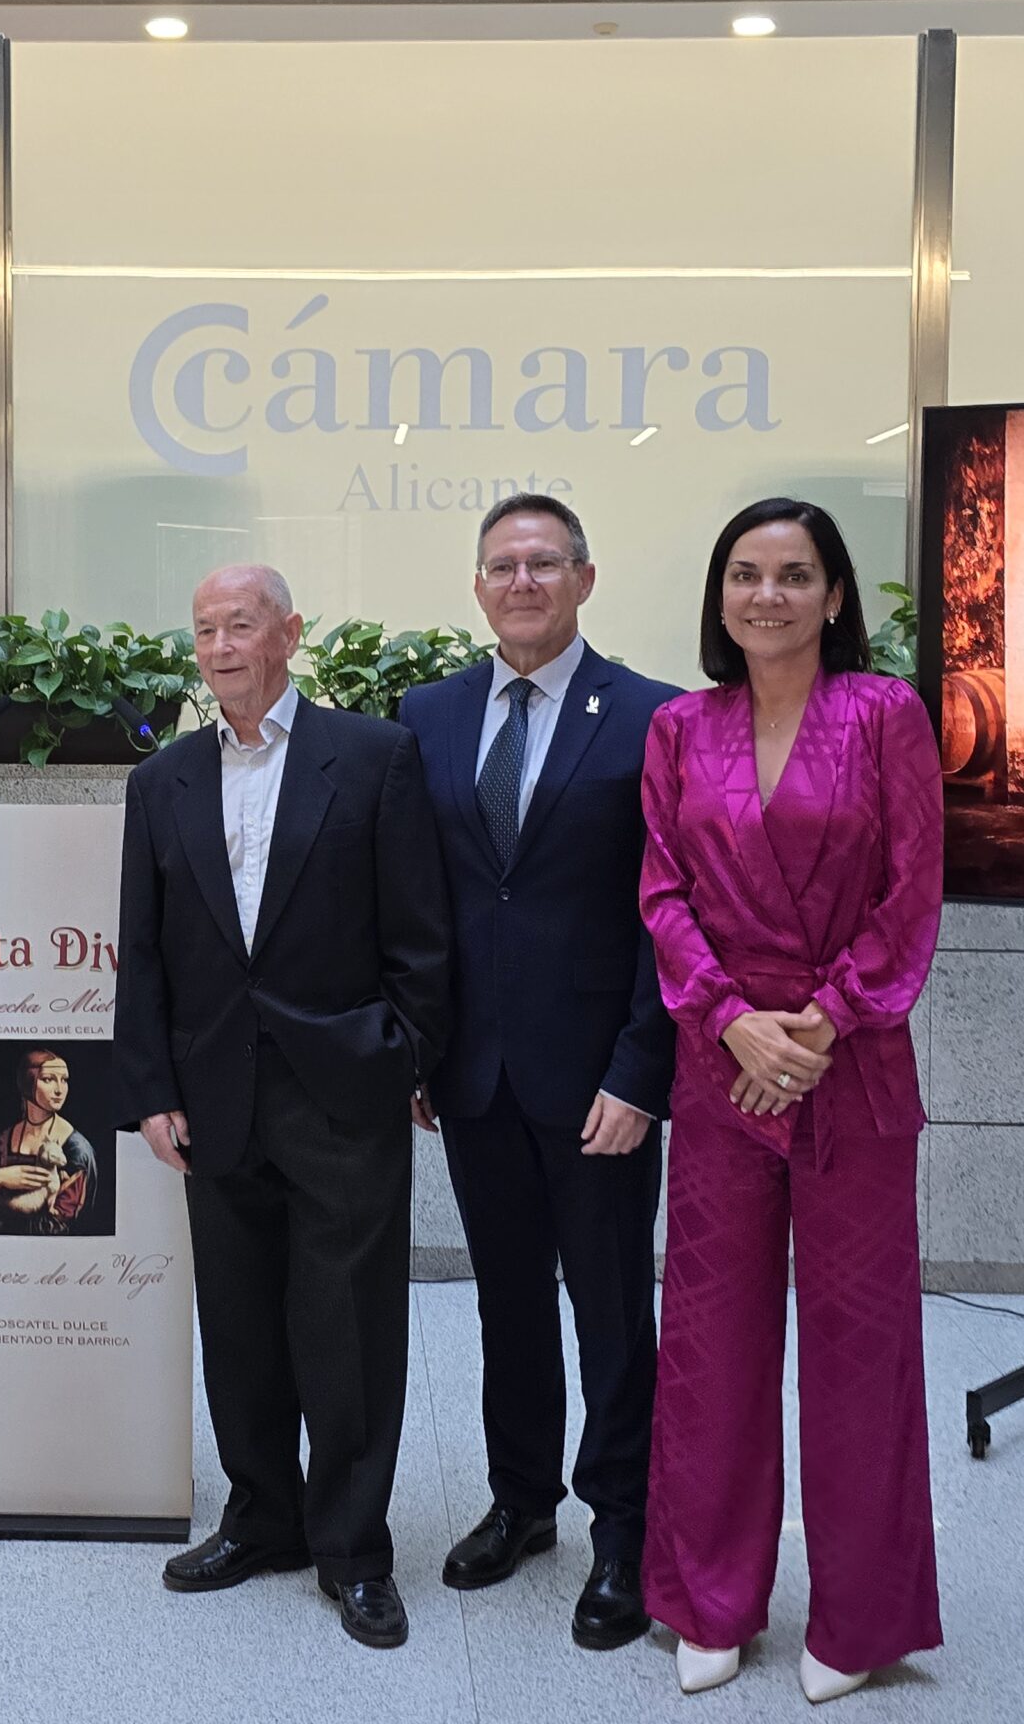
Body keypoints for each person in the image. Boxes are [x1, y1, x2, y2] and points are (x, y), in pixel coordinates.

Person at [637, 497, 942, 1704]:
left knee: (862, 1351)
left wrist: (827, 1017)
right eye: (746, 575)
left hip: (847, 1064)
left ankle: (859, 1617)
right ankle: (709, 1596)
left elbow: (913, 891)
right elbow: (661, 893)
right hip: (722, 1069)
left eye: (794, 574)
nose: (768, 595)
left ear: (832, 595)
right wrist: (730, 1018)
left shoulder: (885, 715)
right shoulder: (678, 728)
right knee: (709, 1349)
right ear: (718, 597)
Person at [113, 563, 450, 1650]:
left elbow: (420, 940)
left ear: (289, 633)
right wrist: (151, 1092)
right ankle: (262, 1517)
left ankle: (353, 1548)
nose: (219, 646)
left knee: (347, 1327)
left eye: (240, 624)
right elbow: (145, 956)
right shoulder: (158, 781)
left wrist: (397, 1059)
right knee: (243, 1325)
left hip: (341, 1088)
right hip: (214, 1100)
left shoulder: (374, 757)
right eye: (203, 627)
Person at [396, 492, 679, 1651]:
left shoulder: (654, 720)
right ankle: (523, 1503)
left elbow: (674, 913)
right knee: (507, 1302)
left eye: (544, 564)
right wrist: (415, 1049)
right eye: (501, 566)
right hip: (470, 1074)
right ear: (477, 587)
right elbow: (411, 904)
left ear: (584, 578)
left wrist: (641, 1072)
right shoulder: (426, 715)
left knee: (610, 1308)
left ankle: (625, 1528)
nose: (522, 582)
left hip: (601, 1082)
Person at [0, 1048, 100, 1236]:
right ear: (27, 1082)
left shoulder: (77, 1148)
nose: (59, 1089)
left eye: (64, 1080)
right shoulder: (6, 1138)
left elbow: (66, 1223)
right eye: (48, 1079)